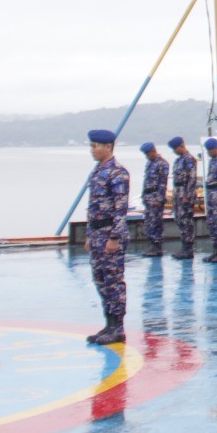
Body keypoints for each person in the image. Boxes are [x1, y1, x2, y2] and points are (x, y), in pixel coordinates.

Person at [85, 129, 130, 345]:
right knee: (100, 280)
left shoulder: (118, 173)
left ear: (108, 147)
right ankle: (109, 323)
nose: (92, 150)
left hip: (110, 236)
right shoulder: (97, 171)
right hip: (96, 235)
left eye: (95, 146)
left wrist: (114, 237)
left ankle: (118, 327)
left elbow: (120, 210)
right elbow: (92, 206)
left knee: (113, 281)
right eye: (92, 146)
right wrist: (89, 234)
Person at [167, 136, 198, 261]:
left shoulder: (189, 159)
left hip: (185, 194)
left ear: (181, 146)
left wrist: (188, 195)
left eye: (175, 148)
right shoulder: (178, 160)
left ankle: (188, 248)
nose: (174, 151)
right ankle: (184, 247)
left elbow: (192, 179)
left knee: (186, 221)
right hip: (178, 193)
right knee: (180, 220)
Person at [138, 141, 168, 257]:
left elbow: (162, 183)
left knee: (156, 223)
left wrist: (159, 199)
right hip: (148, 197)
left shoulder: (162, 164)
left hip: (155, 198)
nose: (146, 156)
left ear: (153, 151)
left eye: (148, 153)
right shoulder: (149, 163)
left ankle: (157, 247)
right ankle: (152, 245)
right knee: (149, 223)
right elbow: (146, 182)